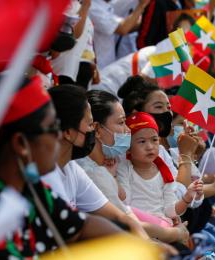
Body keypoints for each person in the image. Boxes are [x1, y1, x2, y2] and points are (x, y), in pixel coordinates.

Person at [0, 76, 123, 258]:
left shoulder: (31, 187)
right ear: (21, 144)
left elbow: (82, 226)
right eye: (52, 127)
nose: (59, 136)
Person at [77, 89, 190, 244]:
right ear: (97, 129)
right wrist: (173, 234)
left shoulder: (108, 163)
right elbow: (125, 221)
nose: (127, 130)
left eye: (154, 140)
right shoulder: (91, 172)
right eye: (121, 122)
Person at [41, 85, 148, 238]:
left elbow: (119, 217)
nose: (94, 132)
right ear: (68, 133)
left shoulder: (70, 167)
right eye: (91, 124)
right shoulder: (46, 177)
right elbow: (74, 233)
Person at [117, 112, 204, 228]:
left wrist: (187, 197)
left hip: (162, 225)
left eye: (154, 140)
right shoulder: (124, 167)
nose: (150, 147)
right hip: (137, 225)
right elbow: (124, 202)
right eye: (142, 141)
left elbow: (170, 211)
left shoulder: (164, 172)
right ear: (128, 147)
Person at [89, 0, 150, 69]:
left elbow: (125, 25)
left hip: (109, 62)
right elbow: (123, 29)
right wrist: (141, 5)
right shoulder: (93, 8)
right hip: (99, 66)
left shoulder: (102, 4)